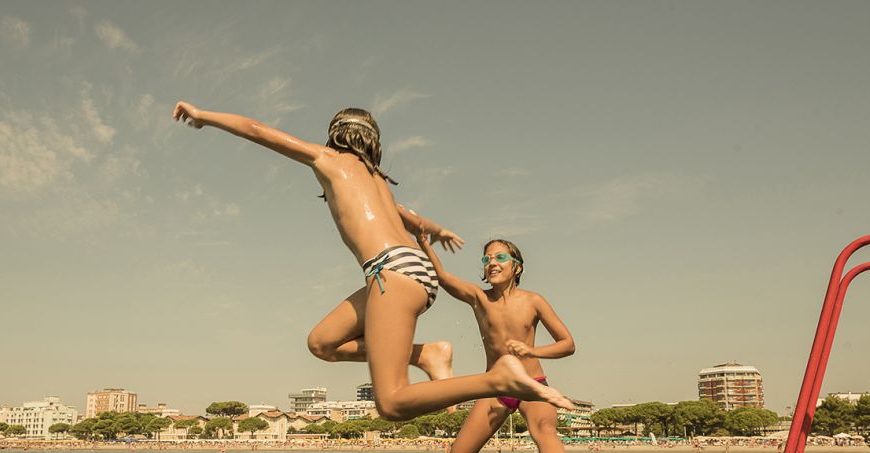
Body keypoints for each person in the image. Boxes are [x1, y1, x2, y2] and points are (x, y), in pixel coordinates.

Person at [172, 102, 572, 420]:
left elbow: (257, 130)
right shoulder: (378, 179)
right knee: (323, 343)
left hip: (390, 272)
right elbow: (409, 217)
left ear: (335, 137)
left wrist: (204, 116)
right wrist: (437, 229)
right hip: (405, 270)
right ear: (372, 143)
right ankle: (426, 354)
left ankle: (495, 379)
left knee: (393, 402)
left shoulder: (328, 159)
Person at [419, 236, 597, 453]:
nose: (492, 262)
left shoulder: (533, 301)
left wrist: (531, 351)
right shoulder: (479, 298)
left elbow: (567, 344)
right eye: (487, 259)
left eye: (500, 257)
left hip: (533, 385)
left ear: (517, 267)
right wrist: (423, 241)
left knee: (544, 429)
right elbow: (442, 276)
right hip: (496, 389)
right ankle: (452, 448)